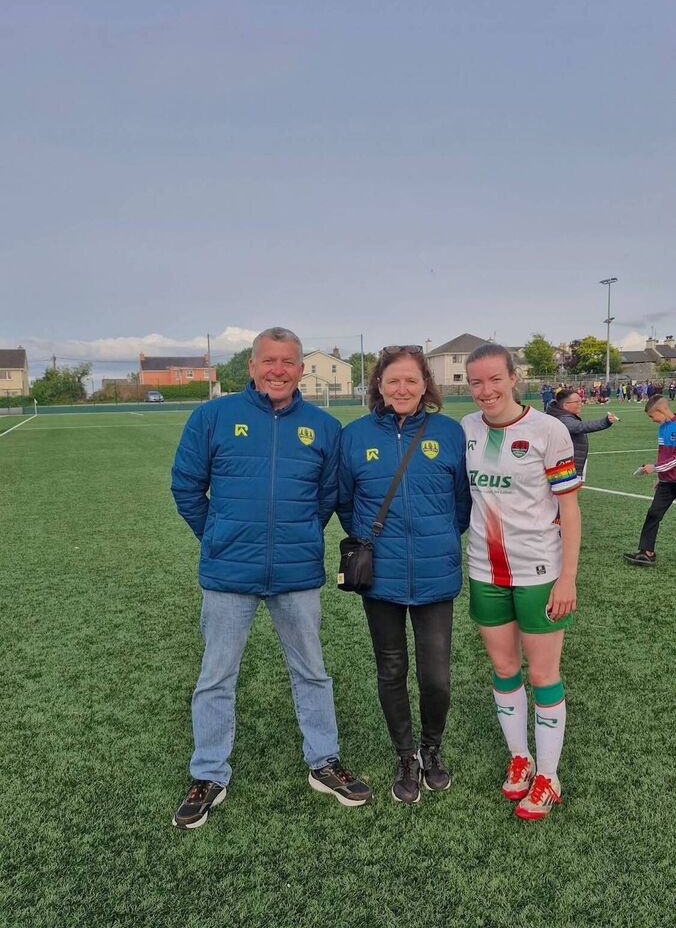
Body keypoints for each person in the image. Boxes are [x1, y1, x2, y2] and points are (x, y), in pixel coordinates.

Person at [170, 326, 371, 828]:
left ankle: (323, 761)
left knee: (312, 671)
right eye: (269, 361)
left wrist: (298, 535)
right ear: (252, 367)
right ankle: (209, 773)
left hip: (296, 573)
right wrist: (218, 535)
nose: (278, 370)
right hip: (228, 573)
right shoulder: (212, 416)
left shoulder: (323, 427)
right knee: (216, 676)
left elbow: (328, 498)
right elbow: (186, 487)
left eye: (288, 361)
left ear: (301, 368)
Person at [338, 345, 471, 804]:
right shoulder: (354, 435)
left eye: (411, 381)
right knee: (391, 669)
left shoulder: (449, 433)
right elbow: (344, 499)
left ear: (425, 385)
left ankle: (432, 749)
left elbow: (461, 504)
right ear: (378, 384)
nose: (402, 388)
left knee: (436, 677)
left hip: (437, 574)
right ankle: (405, 756)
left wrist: (436, 539)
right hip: (381, 578)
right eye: (392, 380)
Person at [462, 344, 582, 820]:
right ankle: (520, 756)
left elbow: (569, 508)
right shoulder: (465, 429)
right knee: (504, 668)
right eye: (476, 382)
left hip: (538, 571)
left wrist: (567, 577)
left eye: (494, 379)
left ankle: (549, 776)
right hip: (484, 570)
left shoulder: (548, 430)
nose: (485, 391)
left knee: (542, 675)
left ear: (514, 377)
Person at [624, 394, 676, 566]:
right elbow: (662, 456)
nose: (652, 420)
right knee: (654, 513)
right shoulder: (662, 428)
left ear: (661, 410)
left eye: (652, 416)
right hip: (667, 482)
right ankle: (647, 552)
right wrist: (660, 476)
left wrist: (654, 468)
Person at [546, 387, 618, 479]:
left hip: (567, 464)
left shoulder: (559, 415)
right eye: (577, 402)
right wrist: (605, 422)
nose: (580, 404)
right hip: (564, 465)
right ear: (565, 405)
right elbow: (580, 426)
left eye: (580, 401)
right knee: (567, 491)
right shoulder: (562, 419)